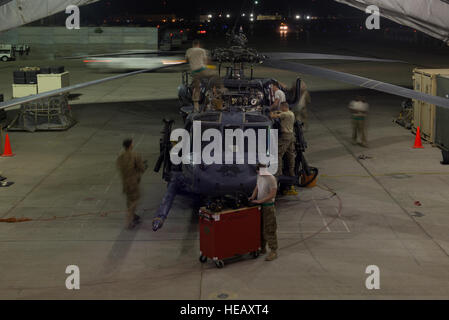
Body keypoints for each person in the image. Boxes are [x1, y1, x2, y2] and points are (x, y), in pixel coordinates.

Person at [249, 163, 278, 261]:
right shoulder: (260, 176)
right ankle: (262, 248)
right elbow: (257, 187)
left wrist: (260, 201)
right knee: (260, 228)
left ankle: (273, 251)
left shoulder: (271, 178)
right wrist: (253, 196)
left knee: (269, 229)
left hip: (268, 207)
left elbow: (273, 194)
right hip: (260, 207)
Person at [116, 138, 147, 229]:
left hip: (125, 182)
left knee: (129, 200)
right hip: (133, 182)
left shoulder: (120, 156)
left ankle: (132, 215)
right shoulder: (135, 155)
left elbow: (120, 167)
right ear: (130, 145)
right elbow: (142, 168)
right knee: (135, 200)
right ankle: (129, 219)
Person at [185, 40, 213, 112]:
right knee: (208, 86)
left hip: (195, 71)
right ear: (198, 44)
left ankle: (196, 107)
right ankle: (208, 104)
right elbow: (206, 61)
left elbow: (186, 60)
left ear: (193, 44)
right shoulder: (202, 51)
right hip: (202, 70)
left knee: (196, 88)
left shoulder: (189, 50)